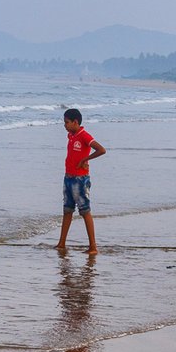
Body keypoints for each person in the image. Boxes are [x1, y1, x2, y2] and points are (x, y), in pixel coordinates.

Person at [56, 109, 106, 254]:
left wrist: (85, 159)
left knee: (85, 211)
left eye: (66, 122)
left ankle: (93, 247)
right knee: (67, 210)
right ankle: (61, 243)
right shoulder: (71, 135)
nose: (64, 125)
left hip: (80, 179)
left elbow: (101, 150)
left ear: (75, 122)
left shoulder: (84, 135)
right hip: (68, 177)